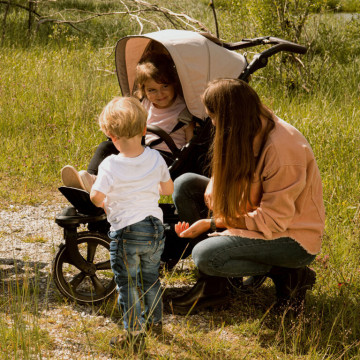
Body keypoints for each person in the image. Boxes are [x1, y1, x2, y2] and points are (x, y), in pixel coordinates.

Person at [171, 78, 325, 315]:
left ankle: (291, 273)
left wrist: (212, 223)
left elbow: (273, 220)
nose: (212, 123)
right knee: (185, 185)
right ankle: (214, 287)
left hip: (290, 237)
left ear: (231, 116)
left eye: (214, 117)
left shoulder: (283, 150)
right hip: (254, 214)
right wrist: (215, 181)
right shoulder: (248, 124)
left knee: (204, 255)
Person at [88, 96, 174, 347]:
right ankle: (155, 322)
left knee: (127, 284)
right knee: (150, 278)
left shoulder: (109, 164)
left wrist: (101, 199)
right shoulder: (156, 158)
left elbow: (96, 197)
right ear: (145, 130)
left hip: (127, 231)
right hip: (155, 230)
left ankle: (134, 334)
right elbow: (168, 188)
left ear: (110, 135)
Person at [61, 53, 193, 191]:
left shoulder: (184, 109)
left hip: (165, 158)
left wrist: (184, 163)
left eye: (165, 86)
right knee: (107, 146)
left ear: (174, 84)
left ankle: (98, 185)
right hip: (141, 149)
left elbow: (190, 146)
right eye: (152, 90)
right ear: (144, 90)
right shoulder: (144, 104)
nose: (159, 94)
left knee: (136, 159)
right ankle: (90, 180)